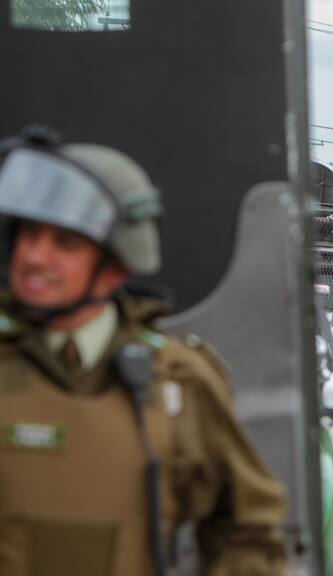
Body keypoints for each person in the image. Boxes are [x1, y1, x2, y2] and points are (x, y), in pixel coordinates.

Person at [0, 129, 285, 576]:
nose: (34, 257)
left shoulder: (177, 381)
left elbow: (247, 528)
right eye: (29, 235)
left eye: (66, 243)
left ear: (116, 265)